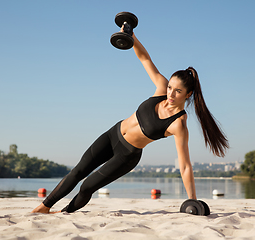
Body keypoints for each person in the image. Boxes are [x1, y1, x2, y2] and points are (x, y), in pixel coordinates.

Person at [32, 30, 229, 214]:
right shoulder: (161, 88)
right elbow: (144, 58)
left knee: (87, 186)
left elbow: (185, 165)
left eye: (178, 91)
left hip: (127, 155)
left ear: (188, 94)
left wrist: (192, 200)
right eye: (170, 87)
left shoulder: (178, 124)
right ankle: (44, 207)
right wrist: (131, 35)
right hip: (113, 134)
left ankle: (65, 213)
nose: (170, 93)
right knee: (78, 171)